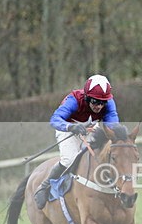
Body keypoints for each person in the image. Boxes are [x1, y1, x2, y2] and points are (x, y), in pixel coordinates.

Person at [34, 74, 120, 209]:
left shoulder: (108, 103)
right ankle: (44, 186)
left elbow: (113, 125)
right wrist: (71, 127)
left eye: (102, 102)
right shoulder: (73, 100)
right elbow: (55, 119)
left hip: (90, 128)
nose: (99, 106)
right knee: (69, 160)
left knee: (100, 156)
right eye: (95, 101)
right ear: (86, 97)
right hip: (67, 128)